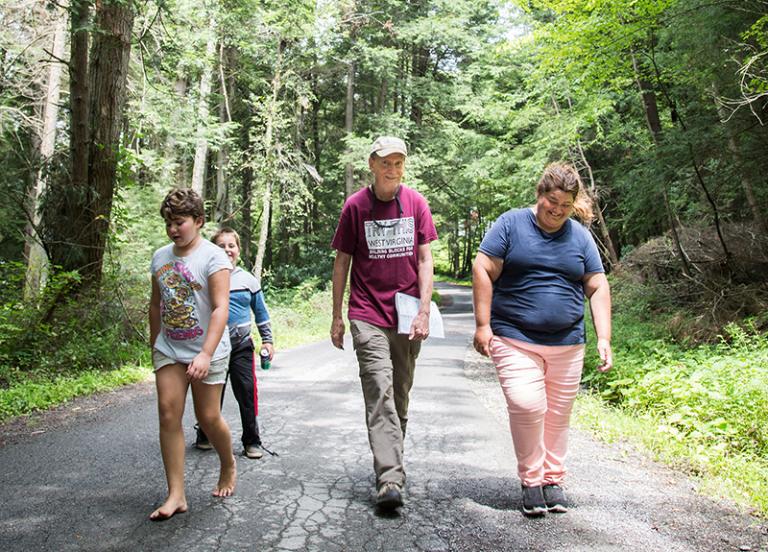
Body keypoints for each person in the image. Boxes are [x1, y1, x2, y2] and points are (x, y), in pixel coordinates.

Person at [471, 162, 613, 517]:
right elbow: (483, 268)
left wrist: (604, 337)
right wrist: (482, 325)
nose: (558, 211)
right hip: (514, 336)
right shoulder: (511, 224)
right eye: (552, 202)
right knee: (527, 404)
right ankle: (531, 480)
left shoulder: (580, 236)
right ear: (540, 194)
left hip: (568, 342)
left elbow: (596, 284)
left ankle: (553, 480)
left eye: (566, 205)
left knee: (558, 416)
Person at [330, 135, 438, 511]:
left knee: (400, 397)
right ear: (372, 165)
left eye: (398, 162)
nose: (392, 169)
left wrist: (425, 310)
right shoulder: (356, 207)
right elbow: (342, 261)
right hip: (366, 314)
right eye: (385, 162)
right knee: (380, 389)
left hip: (407, 317)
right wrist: (337, 316)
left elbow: (425, 260)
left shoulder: (416, 204)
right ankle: (390, 478)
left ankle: (391, 459)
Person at [148, 188, 237, 521]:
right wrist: (155, 342)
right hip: (170, 348)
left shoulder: (215, 257)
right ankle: (176, 495)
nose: (173, 229)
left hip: (207, 350)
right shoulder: (160, 257)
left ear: (198, 221)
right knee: (168, 413)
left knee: (208, 417)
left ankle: (227, 464)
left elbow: (220, 308)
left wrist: (204, 353)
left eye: (180, 222)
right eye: (169, 223)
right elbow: (156, 304)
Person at [193, 227, 275, 460]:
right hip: (213, 346)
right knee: (209, 392)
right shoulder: (204, 278)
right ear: (213, 249)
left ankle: (252, 440)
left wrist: (267, 340)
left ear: (238, 249)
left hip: (240, 345)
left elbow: (261, 313)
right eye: (221, 246)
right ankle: (205, 434)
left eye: (231, 245)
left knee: (246, 392)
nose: (227, 250)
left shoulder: (248, 280)